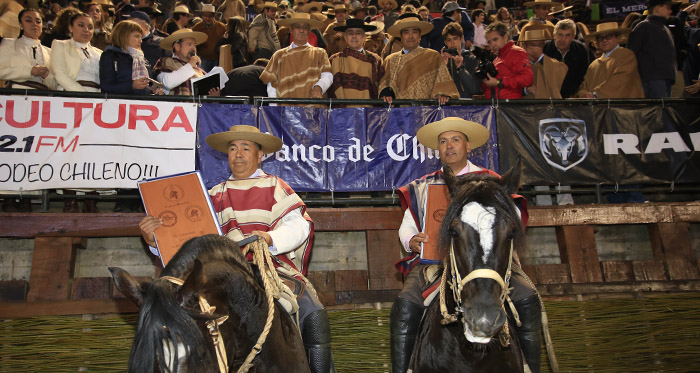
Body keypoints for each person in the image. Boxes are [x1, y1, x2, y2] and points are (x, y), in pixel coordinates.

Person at [139, 125, 334, 373]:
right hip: (221, 275)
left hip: (269, 269)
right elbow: (189, 245)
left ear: (260, 155)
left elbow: (300, 226)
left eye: (245, 148)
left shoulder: (276, 186)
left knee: (312, 310)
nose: (238, 154)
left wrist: (270, 238)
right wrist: (155, 242)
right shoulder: (212, 195)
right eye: (232, 148)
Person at [391, 117, 542, 373]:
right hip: (434, 263)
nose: (449, 146)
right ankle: (404, 369)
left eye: (455, 140)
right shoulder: (425, 185)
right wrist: (410, 239)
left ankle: (529, 367)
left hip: (488, 261)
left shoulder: (492, 181)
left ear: (468, 146)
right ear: (437, 149)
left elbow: (513, 217)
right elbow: (408, 223)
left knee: (527, 297)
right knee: (405, 304)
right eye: (443, 142)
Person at [378, 15, 459, 104]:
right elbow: (384, 84)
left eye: (414, 32)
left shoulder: (433, 56)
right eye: (406, 32)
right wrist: (387, 94)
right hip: (399, 114)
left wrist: (443, 94)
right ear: (401, 37)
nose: (410, 36)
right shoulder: (390, 60)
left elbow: (444, 83)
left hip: (428, 113)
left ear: (420, 36)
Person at [259, 12, 332, 99]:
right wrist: (274, 107)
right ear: (291, 30)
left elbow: (327, 75)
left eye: (305, 28)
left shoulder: (320, 53)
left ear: (309, 31)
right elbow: (272, 84)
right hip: (286, 109)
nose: (301, 30)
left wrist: (319, 87)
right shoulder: (279, 55)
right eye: (297, 27)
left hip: (313, 109)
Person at [576, 22, 644, 98]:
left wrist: (595, 94)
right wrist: (583, 94)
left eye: (609, 36)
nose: (604, 40)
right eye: (600, 38)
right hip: (600, 108)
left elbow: (620, 81)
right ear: (597, 42)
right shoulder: (593, 65)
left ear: (618, 38)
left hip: (625, 108)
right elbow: (584, 86)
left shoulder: (627, 55)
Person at [627, 0, 677, 98]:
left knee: (662, 109)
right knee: (658, 110)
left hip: (666, 78)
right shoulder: (643, 26)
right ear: (657, 8)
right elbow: (630, 53)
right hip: (652, 78)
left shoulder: (665, 28)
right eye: (667, 8)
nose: (670, 11)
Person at [0, 8, 57, 90]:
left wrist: (46, 76)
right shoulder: (9, 43)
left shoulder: (50, 52)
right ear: (21, 25)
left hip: (43, 97)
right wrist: (30, 71)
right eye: (28, 20)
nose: (34, 24)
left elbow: (55, 85)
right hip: (16, 94)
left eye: (38, 22)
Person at [327, 18, 384, 99]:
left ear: (364, 37)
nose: (354, 36)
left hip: (368, 109)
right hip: (341, 109)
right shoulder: (334, 60)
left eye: (358, 33)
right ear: (345, 37)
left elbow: (381, 85)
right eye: (350, 33)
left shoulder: (375, 60)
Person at [154, 28, 220, 96]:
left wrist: (212, 95)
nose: (193, 48)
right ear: (177, 46)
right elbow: (168, 83)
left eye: (194, 45)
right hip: (175, 106)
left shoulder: (199, 70)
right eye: (189, 44)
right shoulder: (165, 63)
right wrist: (190, 65)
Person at [50, 12, 103, 92]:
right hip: (69, 93)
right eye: (81, 25)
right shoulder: (60, 45)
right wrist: (83, 94)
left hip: (96, 98)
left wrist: (99, 97)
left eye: (90, 27)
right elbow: (60, 73)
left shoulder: (100, 53)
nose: (86, 30)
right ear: (70, 28)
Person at [481, 22, 533, 99]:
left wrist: (499, 82)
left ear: (505, 37)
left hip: (508, 106)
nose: (492, 44)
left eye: (495, 39)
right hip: (497, 105)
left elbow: (527, 78)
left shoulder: (516, 52)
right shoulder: (498, 58)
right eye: (489, 42)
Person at [99, 19, 152, 95]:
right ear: (124, 35)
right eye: (137, 36)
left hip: (141, 104)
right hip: (118, 104)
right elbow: (106, 86)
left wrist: (153, 92)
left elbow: (146, 87)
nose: (141, 41)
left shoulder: (141, 58)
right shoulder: (110, 55)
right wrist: (131, 85)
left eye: (141, 37)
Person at [543, 19, 590, 98]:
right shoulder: (545, 49)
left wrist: (577, 93)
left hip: (573, 97)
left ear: (573, 37)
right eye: (560, 35)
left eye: (567, 35)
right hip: (549, 96)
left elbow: (584, 75)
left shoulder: (581, 49)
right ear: (554, 34)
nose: (563, 39)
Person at [521, 28, 567, 98]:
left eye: (540, 45)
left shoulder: (551, 63)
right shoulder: (519, 64)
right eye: (532, 45)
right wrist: (525, 90)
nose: (536, 48)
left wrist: (540, 57)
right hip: (524, 106)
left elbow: (561, 72)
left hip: (547, 106)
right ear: (525, 46)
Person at [127, 10, 171, 79]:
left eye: (131, 23)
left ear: (143, 24)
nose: (127, 26)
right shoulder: (125, 42)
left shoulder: (161, 43)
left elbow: (169, 67)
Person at [441, 22, 480, 98]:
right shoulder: (441, 61)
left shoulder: (471, 59)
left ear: (461, 39)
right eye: (449, 40)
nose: (452, 43)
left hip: (467, 106)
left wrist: (461, 69)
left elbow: (474, 89)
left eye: (455, 39)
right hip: (447, 106)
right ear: (445, 42)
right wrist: (443, 67)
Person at [191, 4, 227, 72]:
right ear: (202, 16)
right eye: (205, 16)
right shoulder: (196, 28)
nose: (208, 18)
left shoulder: (221, 27)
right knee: (203, 79)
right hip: (202, 59)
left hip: (218, 59)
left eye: (210, 16)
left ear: (214, 16)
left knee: (216, 79)